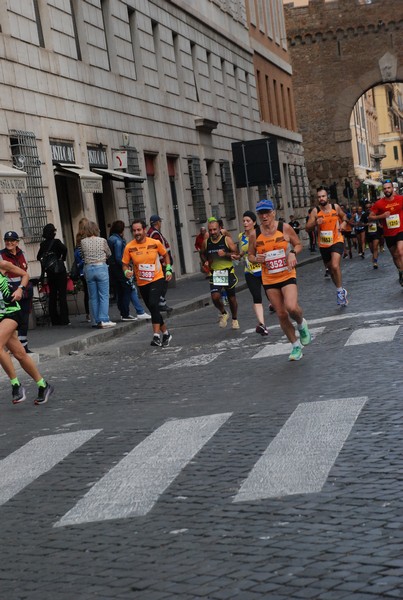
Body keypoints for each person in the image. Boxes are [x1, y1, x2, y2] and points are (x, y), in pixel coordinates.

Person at [248, 199, 312, 361]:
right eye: (261, 213)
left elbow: (298, 244)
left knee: (291, 307)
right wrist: (257, 259)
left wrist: (292, 253)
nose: (264, 216)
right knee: (282, 314)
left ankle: (301, 324)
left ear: (273, 213)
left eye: (267, 212)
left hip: (287, 274)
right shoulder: (254, 234)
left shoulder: (284, 228)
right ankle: (296, 346)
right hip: (269, 278)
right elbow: (250, 256)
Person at [0, 259, 53, 404]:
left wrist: (20, 289)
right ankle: (43, 385)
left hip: (11, 312)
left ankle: (16, 385)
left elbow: (25, 275)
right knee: (20, 354)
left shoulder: (2, 265)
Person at [122, 219, 172, 347]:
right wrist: (126, 272)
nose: (136, 232)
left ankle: (156, 336)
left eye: (139, 230)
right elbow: (125, 264)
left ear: (144, 230)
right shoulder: (129, 247)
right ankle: (166, 333)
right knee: (152, 308)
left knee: (153, 303)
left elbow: (166, 255)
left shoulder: (155, 243)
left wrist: (168, 269)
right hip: (142, 282)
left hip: (157, 278)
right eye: (134, 230)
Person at [306, 187, 349, 306]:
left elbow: (344, 216)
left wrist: (344, 222)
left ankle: (340, 293)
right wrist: (315, 223)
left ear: (327, 197)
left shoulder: (335, 207)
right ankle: (340, 290)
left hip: (337, 240)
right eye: (319, 197)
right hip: (324, 244)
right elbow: (307, 227)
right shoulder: (315, 211)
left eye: (323, 196)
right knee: (330, 269)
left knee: (335, 266)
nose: (321, 199)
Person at [200, 217, 240, 330]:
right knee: (215, 297)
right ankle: (223, 312)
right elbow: (202, 253)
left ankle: (235, 319)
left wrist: (225, 254)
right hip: (216, 273)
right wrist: (205, 262)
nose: (213, 232)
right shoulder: (206, 242)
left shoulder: (226, 240)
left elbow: (236, 253)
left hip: (228, 271)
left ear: (219, 229)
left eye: (215, 230)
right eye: (210, 230)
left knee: (231, 298)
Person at [0, 231, 33, 352]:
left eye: (12, 240)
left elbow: (25, 272)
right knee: (11, 320)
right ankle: (12, 348)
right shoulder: (1, 256)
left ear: (17, 242)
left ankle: (24, 346)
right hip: (10, 293)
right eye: (7, 240)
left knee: (24, 320)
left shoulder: (22, 254)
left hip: (24, 291)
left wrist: (22, 288)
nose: (9, 242)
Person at [80, 221, 115, 328]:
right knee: (104, 295)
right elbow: (109, 253)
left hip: (89, 268)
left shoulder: (82, 242)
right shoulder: (102, 240)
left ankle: (96, 320)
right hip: (101, 267)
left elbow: (82, 255)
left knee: (93, 297)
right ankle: (104, 319)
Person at [238, 211, 268, 336]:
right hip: (250, 271)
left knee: (271, 294)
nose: (245, 223)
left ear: (254, 222)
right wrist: (237, 256)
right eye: (244, 221)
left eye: (248, 221)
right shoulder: (241, 236)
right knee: (257, 297)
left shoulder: (260, 234)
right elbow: (243, 252)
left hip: (264, 269)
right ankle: (262, 324)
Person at [368, 180, 403, 286]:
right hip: (388, 233)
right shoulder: (379, 203)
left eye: (389, 188)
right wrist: (381, 216)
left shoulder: (401, 199)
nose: (387, 190)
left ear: (393, 188)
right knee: (395, 255)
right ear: (383, 190)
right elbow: (370, 216)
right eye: (385, 188)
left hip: (401, 230)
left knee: (401, 252)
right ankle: (400, 272)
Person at [36, 223, 70, 326]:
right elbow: (65, 249)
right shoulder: (57, 242)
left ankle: (54, 320)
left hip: (50, 273)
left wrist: (47, 263)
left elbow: (39, 257)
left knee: (52, 296)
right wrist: (61, 258)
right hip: (60, 272)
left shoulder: (43, 245)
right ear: (53, 232)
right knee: (62, 295)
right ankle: (64, 319)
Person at [147, 215, 173, 314]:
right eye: (160, 222)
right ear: (157, 222)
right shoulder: (154, 234)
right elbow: (159, 249)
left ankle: (161, 302)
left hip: (160, 262)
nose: (161, 224)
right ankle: (160, 303)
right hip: (161, 263)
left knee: (162, 283)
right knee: (163, 283)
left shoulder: (152, 232)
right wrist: (165, 263)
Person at [74, 217, 90, 323]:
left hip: (81, 271)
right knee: (93, 292)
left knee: (86, 293)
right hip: (88, 267)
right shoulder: (89, 238)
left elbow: (76, 253)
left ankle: (88, 314)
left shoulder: (78, 237)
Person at [362, 201, 381, 269]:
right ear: (365, 208)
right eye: (367, 208)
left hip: (376, 233)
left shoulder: (376, 213)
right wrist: (366, 224)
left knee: (375, 247)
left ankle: (375, 262)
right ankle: (375, 255)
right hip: (368, 233)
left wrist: (379, 225)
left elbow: (379, 220)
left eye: (370, 207)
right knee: (372, 249)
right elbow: (361, 223)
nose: (368, 208)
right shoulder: (364, 215)